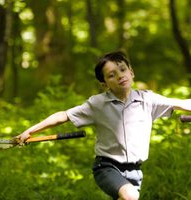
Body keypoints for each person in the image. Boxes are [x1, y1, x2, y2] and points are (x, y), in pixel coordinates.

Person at [16, 51, 191, 200]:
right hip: (107, 167)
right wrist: (30, 131)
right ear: (104, 84)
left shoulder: (148, 99)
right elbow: (64, 116)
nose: (120, 75)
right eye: (111, 75)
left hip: (135, 171)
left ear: (132, 72)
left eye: (122, 70)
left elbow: (183, 103)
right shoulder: (97, 104)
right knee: (130, 196)